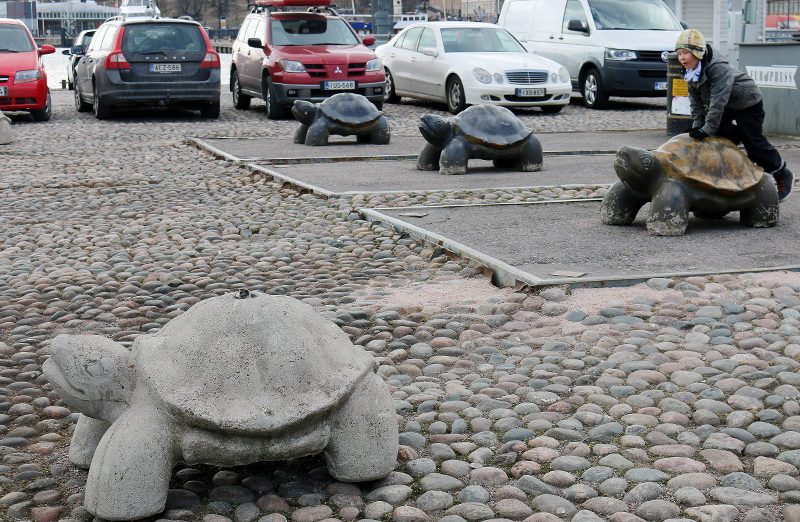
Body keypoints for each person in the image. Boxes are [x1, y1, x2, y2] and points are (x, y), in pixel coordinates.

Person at [675, 28, 794, 201]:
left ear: (697, 52)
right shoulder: (690, 70)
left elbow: (718, 102)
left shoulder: (717, 67)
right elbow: (696, 103)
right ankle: (737, 151)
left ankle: (781, 172)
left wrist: (707, 128)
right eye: (679, 54)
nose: (682, 58)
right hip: (728, 104)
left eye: (686, 53)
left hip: (747, 101)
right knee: (715, 135)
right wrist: (697, 127)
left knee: (755, 144)